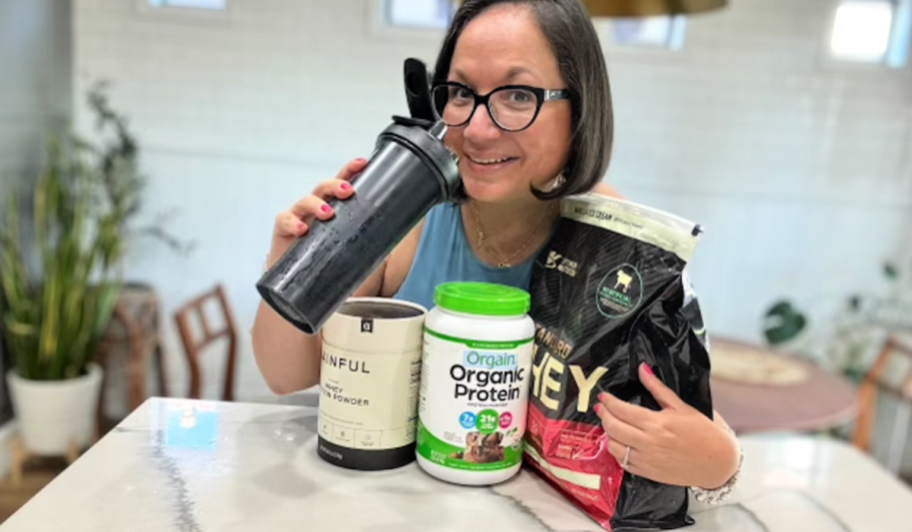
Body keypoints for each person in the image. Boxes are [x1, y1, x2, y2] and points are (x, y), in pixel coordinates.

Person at [252, 0, 740, 499]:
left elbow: (680, 422)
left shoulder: (614, 246)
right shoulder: (410, 208)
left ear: (579, 107)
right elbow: (287, 374)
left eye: (517, 95)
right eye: (461, 92)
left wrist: (720, 461)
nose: (478, 130)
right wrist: (291, 262)